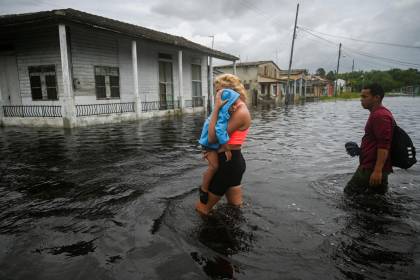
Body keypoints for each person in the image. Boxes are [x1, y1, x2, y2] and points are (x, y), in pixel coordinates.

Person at [196, 74, 251, 215]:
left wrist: (215, 109)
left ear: (229, 92)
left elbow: (212, 137)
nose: (217, 96)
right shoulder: (232, 108)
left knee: (202, 210)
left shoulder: (240, 111)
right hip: (232, 162)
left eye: (219, 91)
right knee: (235, 208)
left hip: (228, 165)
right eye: (216, 92)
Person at [344, 83, 395, 195]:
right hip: (372, 166)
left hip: (370, 168)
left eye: (364, 97)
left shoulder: (380, 116)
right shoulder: (377, 114)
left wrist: (377, 171)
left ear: (376, 97)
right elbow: (376, 142)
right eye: (361, 96)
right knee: (375, 200)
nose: (361, 100)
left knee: (349, 195)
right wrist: (361, 150)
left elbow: (384, 145)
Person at [198, 88, 240, 203]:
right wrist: (226, 148)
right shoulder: (222, 116)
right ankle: (203, 189)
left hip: (210, 144)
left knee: (213, 167)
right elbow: (220, 131)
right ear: (226, 105)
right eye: (233, 105)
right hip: (209, 145)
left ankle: (207, 181)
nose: (236, 108)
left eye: (236, 104)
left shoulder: (222, 112)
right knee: (214, 167)